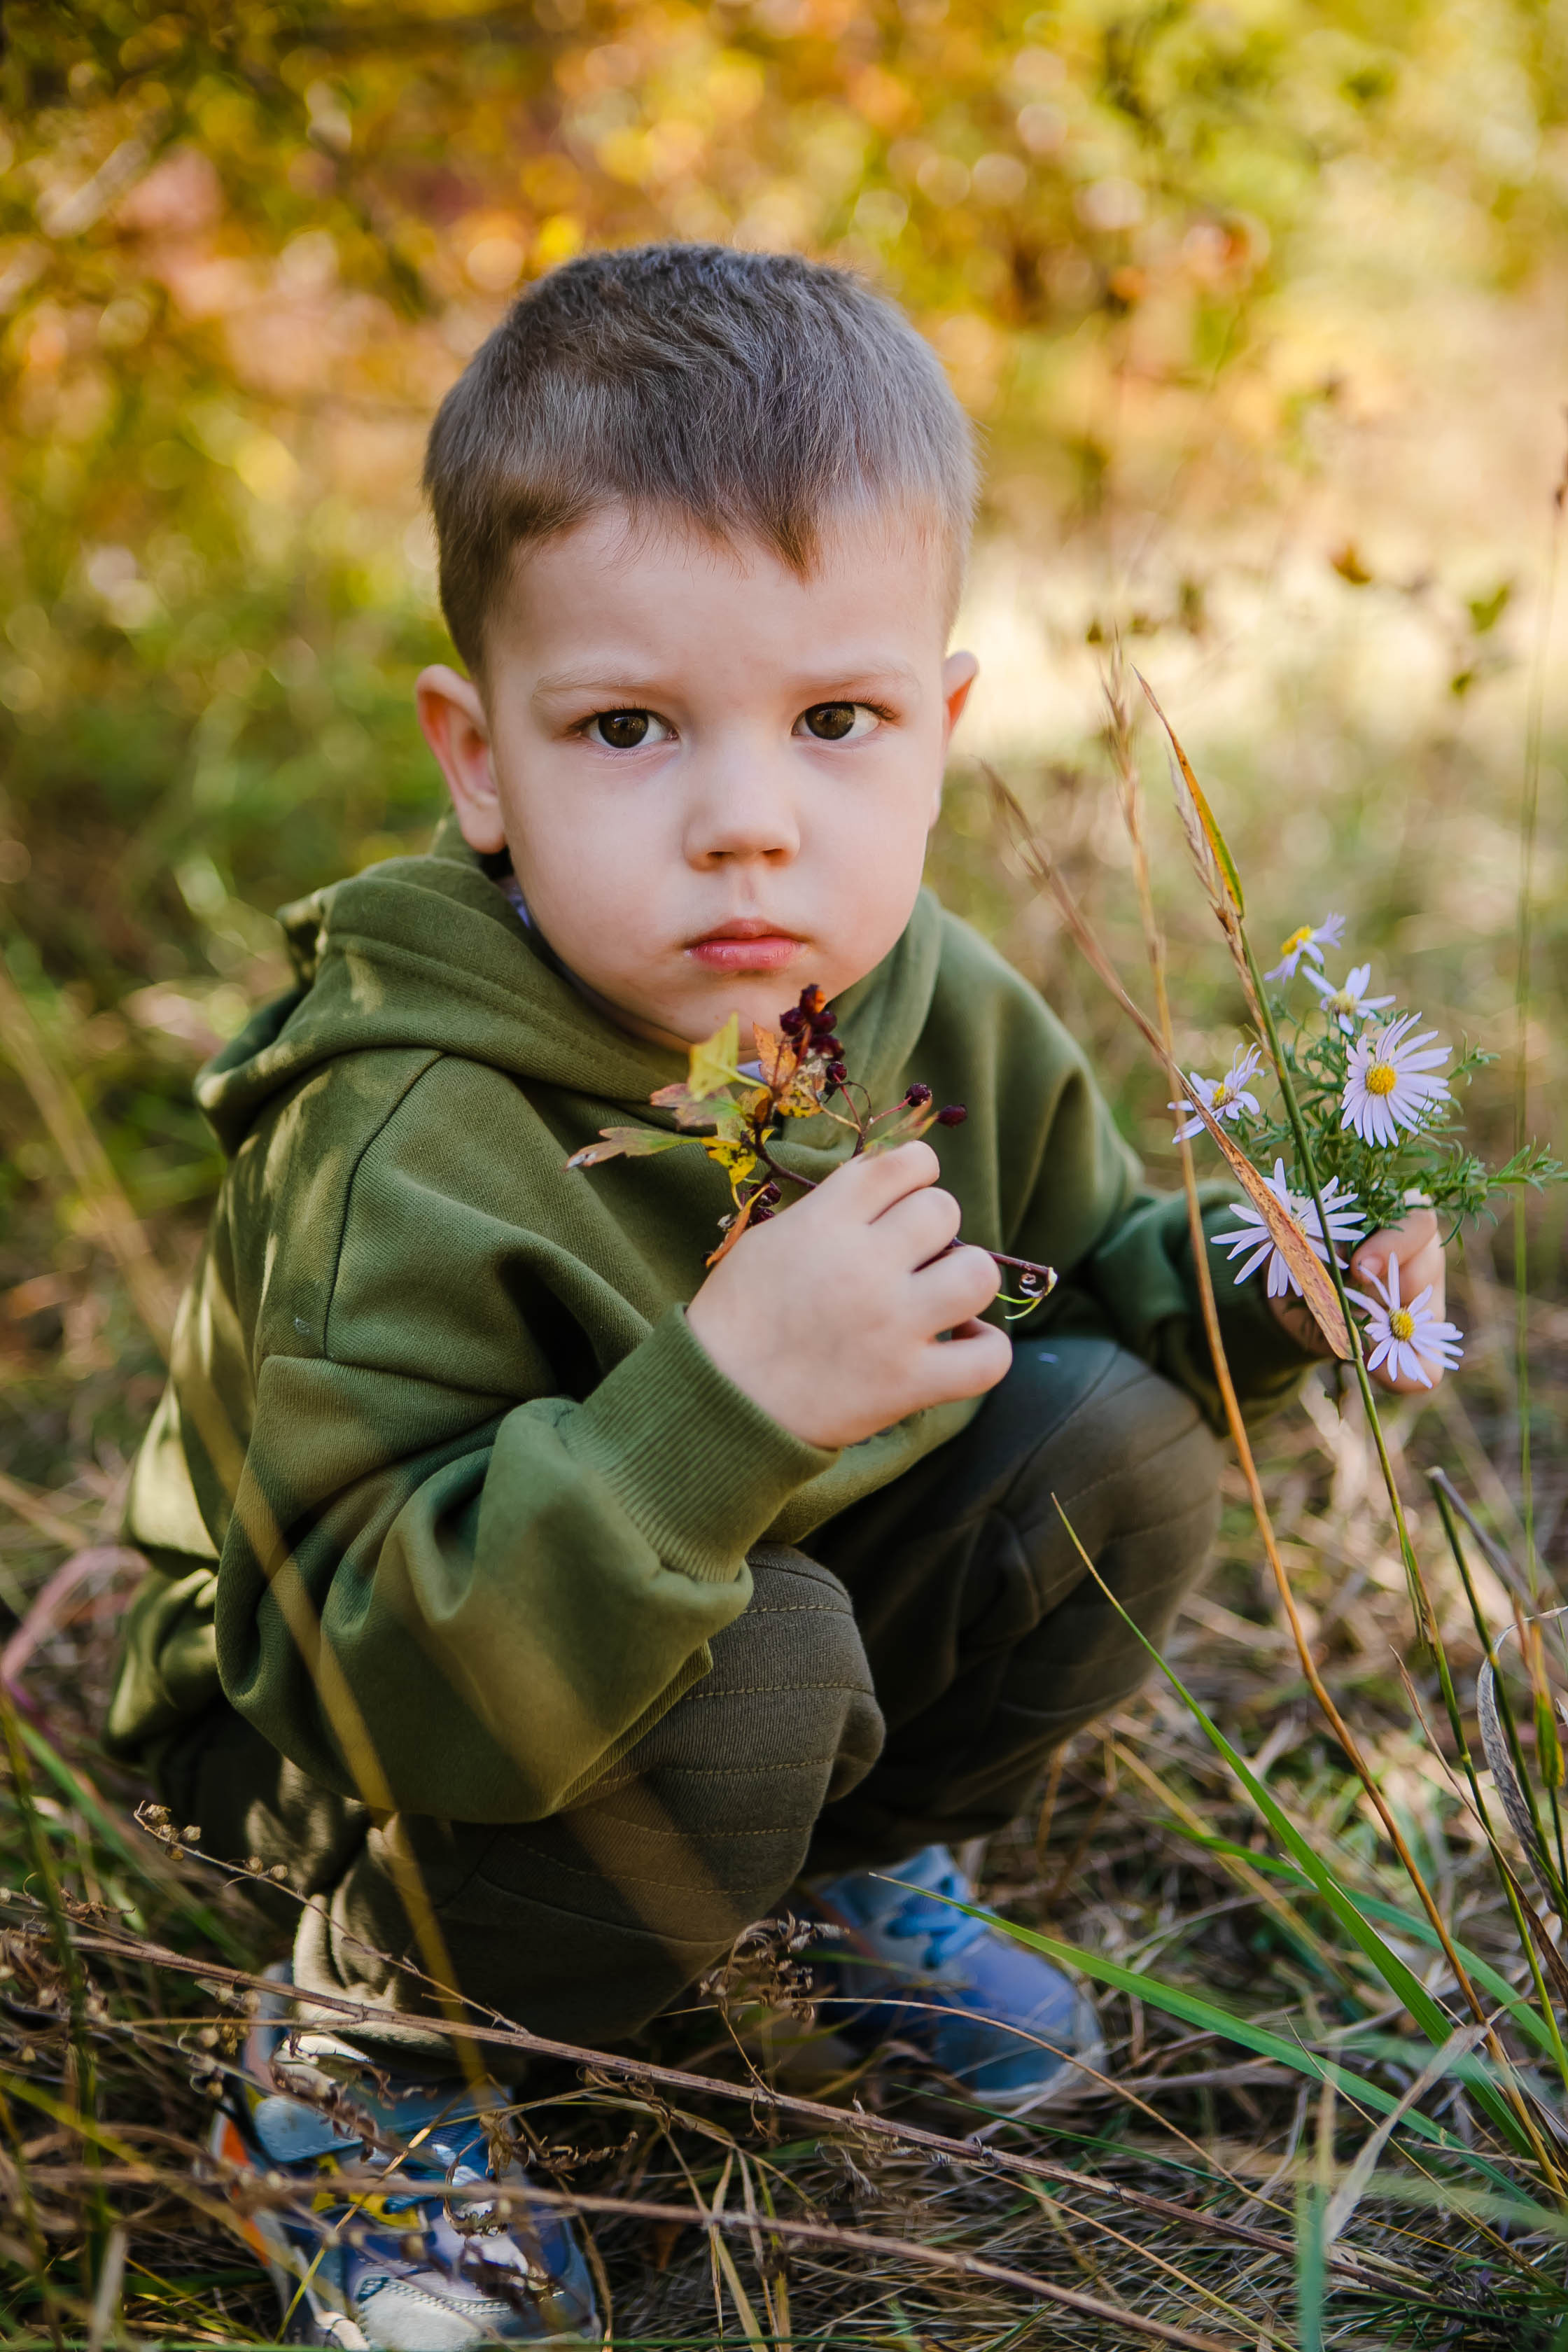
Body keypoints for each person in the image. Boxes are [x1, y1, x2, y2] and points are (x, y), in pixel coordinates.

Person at [104, 243, 1450, 2348]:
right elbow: (359, 1653)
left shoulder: (924, 994)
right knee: (760, 1650)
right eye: (628, 727)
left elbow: (1081, 1271)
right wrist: (720, 1409)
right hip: (364, 1719)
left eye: (836, 720)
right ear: (480, 761)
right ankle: (368, 2064)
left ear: (940, 724)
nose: (750, 824)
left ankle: (828, 1882)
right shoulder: (402, 1136)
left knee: (1112, 1435)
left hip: (725, 1620)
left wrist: (1263, 1290)